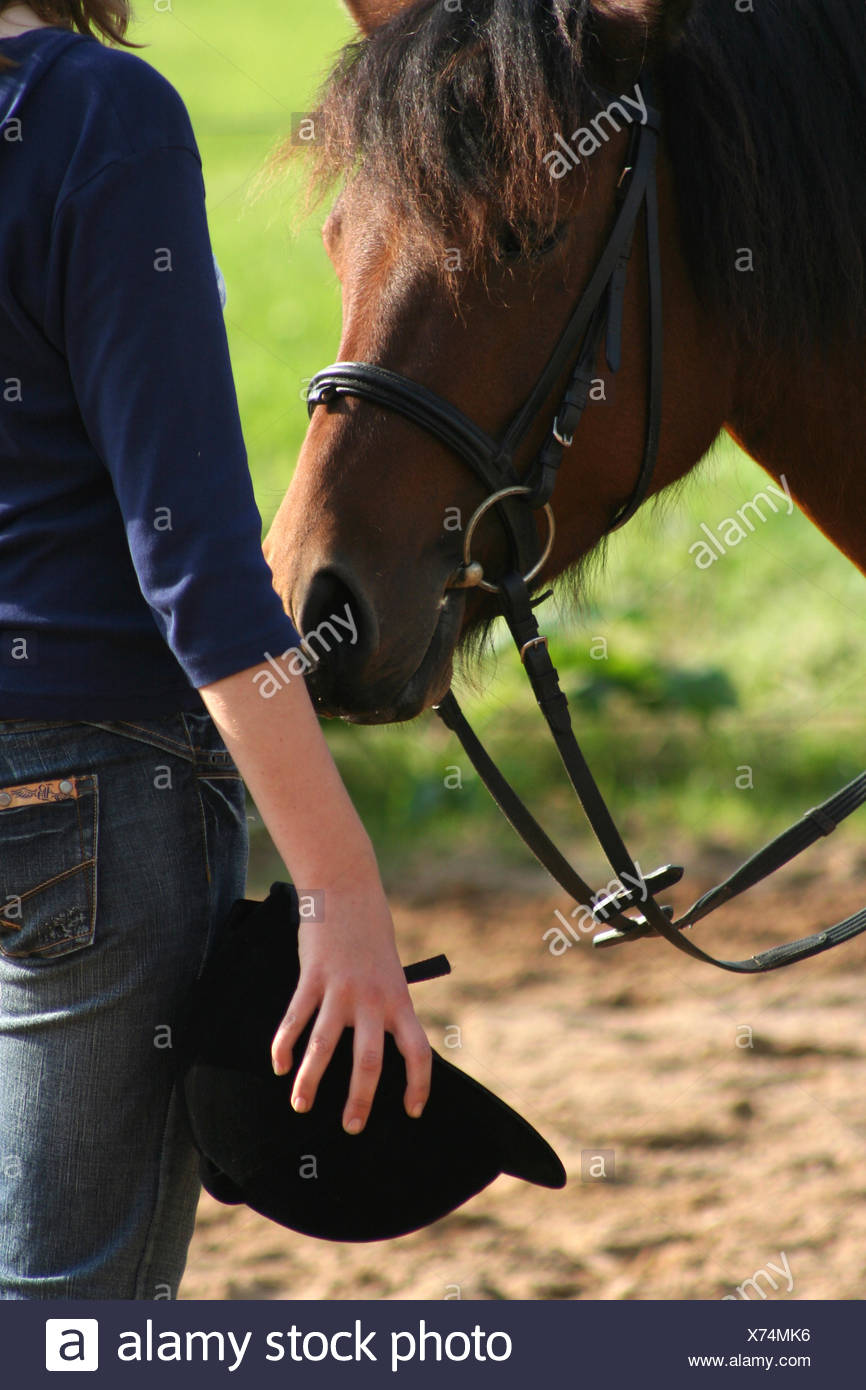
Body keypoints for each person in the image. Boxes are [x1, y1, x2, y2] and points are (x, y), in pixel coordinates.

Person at [0, 0, 431, 1300]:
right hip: (90, 800)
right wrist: (339, 888)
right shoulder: (98, 114)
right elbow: (192, 560)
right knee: (65, 1312)